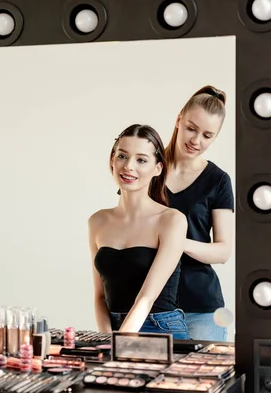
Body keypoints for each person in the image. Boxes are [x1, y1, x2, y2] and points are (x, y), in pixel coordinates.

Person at [89, 124, 190, 339]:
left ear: (158, 168)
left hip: (160, 329)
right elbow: (99, 296)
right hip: (113, 331)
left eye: (141, 160)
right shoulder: (97, 221)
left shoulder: (172, 220)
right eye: (122, 156)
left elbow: (146, 298)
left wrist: (118, 344)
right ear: (112, 160)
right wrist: (106, 339)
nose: (128, 167)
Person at [164, 85, 234, 341]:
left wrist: (176, 242)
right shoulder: (148, 167)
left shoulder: (218, 180)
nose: (196, 141)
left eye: (207, 135)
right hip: (150, 306)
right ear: (178, 120)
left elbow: (223, 251)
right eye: (191, 128)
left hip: (201, 310)